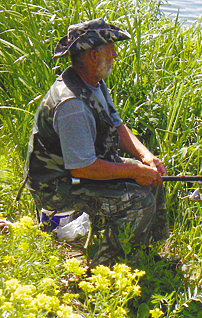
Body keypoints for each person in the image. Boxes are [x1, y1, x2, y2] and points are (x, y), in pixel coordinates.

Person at [23, 18, 169, 267]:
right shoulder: (72, 106)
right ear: (92, 56)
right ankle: (108, 271)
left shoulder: (93, 84)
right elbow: (83, 167)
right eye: (110, 48)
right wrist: (133, 170)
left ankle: (147, 257)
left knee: (153, 180)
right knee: (138, 200)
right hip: (56, 186)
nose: (114, 54)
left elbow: (117, 126)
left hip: (79, 171)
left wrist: (145, 158)